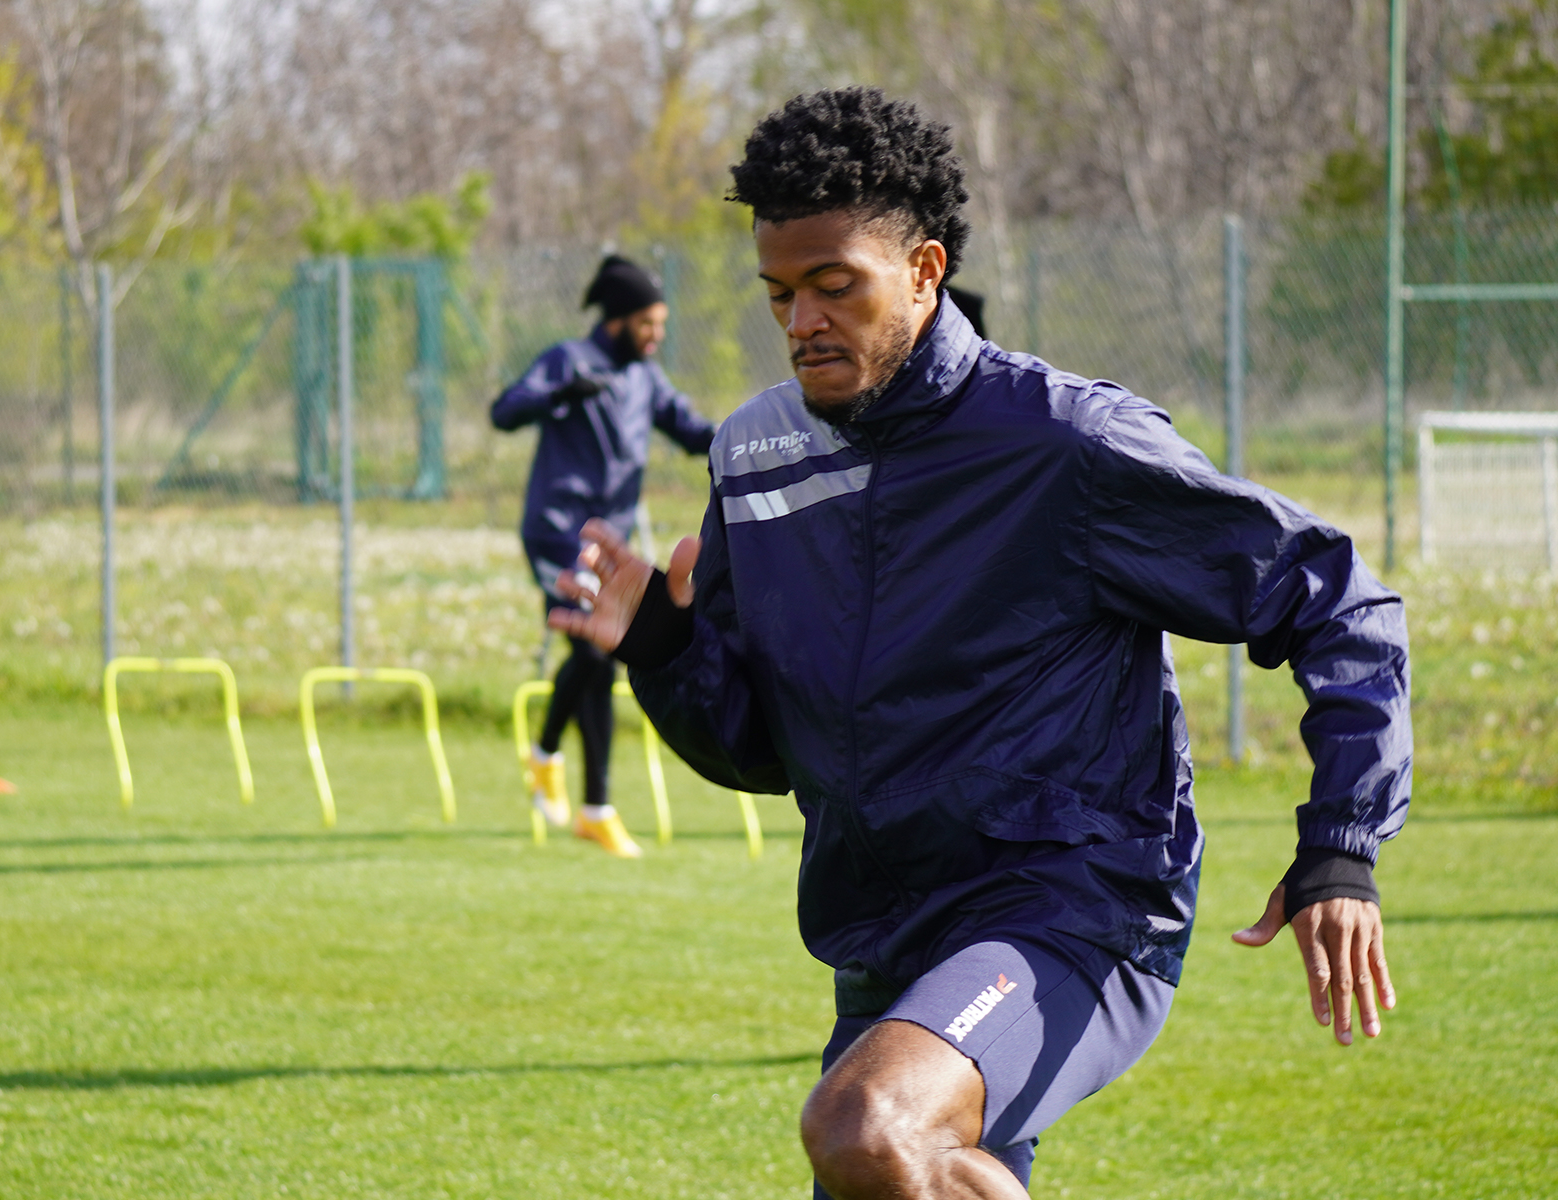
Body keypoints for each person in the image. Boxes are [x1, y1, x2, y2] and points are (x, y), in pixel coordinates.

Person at [550, 87, 1410, 1197]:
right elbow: (765, 753)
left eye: (833, 286)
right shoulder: (755, 458)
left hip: (1071, 905)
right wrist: (664, 651)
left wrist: (1341, 841)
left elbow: (1335, 597)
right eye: (778, 294)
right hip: (879, 936)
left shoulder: (1061, 444)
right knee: (885, 1159)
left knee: (866, 1126)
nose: (802, 321)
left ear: (924, 269)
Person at [491, 254, 716, 858]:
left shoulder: (646, 377)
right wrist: (562, 392)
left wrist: (753, 443)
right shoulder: (570, 359)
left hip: (607, 544)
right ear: (618, 321)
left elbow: (693, 431)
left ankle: (595, 808)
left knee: (600, 657)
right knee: (594, 647)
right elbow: (504, 411)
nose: (657, 335)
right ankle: (543, 754)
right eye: (649, 323)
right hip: (557, 531)